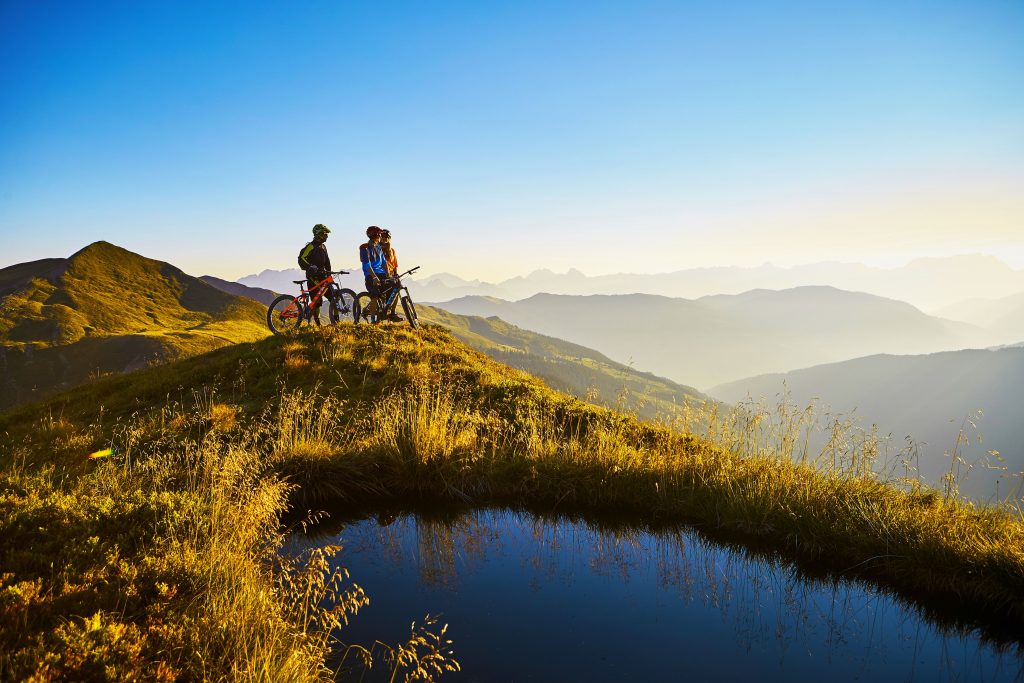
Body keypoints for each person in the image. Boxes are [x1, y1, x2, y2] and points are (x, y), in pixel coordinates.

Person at [359, 225, 402, 322]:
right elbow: (367, 265)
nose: (380, 237)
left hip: (381, 274)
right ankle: (373, 321)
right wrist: (374, 277)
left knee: (395, 286)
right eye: (379, 235)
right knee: (375, 295)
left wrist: (388, 275)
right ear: (374, 236)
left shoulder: (378, 247)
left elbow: (383, 263)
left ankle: (389, 312)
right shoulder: (364, 248)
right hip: (370, 275)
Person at [298, 223, 332, 323]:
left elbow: (327, 261)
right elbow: (301, 259)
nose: (327, 236)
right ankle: (318, 325)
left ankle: (336, 322)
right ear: (319, 234)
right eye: (325, 234)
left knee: (334, 297)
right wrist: (310, 267)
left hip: (323, 277)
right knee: (316, 302)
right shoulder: (310, 246)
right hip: (313, 277)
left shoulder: (324, 247)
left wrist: (329, 273)